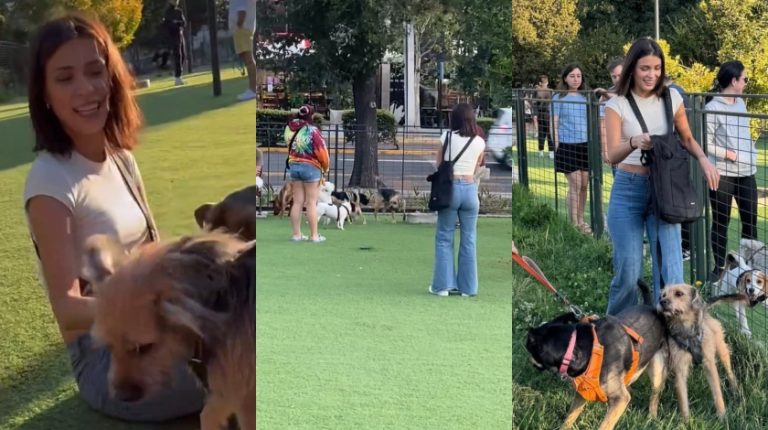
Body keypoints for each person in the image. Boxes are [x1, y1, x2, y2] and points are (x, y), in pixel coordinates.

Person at [23, 13, 204, 420]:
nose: (86, 88)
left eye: (95, 71)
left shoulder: (121, 157)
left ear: (111, 77)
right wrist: (148, 305)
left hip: (164, 330)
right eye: (65, 77)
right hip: (108, 360)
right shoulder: (50, 183)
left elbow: (153, 250)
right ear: (45, 93)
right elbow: (67, 307)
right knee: (240, 364)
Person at [603, 37, 719, 314]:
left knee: (671, 268)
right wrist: (633, 142)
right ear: (632, 68)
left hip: (665, 190)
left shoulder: (672, 98)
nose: (651, 74)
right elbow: (611, 154)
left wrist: (704, 160)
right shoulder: (616, 103)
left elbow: (688, 138)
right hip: (629, 188)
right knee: (629, 270)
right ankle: (617, 329)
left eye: (656, 68)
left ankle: (671, 332)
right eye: (645, 68)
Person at [429, 103, 486, 297]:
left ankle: (443, 286)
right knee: (469, 238)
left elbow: (439, 164)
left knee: (445, 236)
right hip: (470, 190)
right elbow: (479, 165)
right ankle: (468, 288)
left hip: (450, 189)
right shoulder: (479, 141)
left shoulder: (446, 137)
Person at [705, 61, 754, 281]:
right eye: (744, 79)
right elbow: (706, 143)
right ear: (734, 81)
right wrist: (729, 154)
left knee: (750, 220)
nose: (745, 82)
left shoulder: (741, 103)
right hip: (722, 173)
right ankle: (719, 268)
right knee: (721, 221)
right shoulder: (712, 107)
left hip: (747, 172)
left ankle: (749, 269)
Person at [552, 64, 591, 234]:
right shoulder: (558, 97)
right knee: (575, 184)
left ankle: (581, 220)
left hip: (585, 145)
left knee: (584, 185)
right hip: (567, 145)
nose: (576, 79)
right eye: (572, 76)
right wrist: (557, 144)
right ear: (565, 78)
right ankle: (573, 223)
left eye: (579, 76)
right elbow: (554, 122)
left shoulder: (586, 97)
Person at [284, 105, 330, 242]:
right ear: (311, 115)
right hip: (311, 167)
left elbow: (288, 145)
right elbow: (322, 152)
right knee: (311, 203)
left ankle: (296, 235)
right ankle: (314, 236)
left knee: (297, 202)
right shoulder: (313, 131)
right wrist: (325, 167)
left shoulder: (289, 128)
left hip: (293, 165)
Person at [597, 57, 624, 172]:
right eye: (614, 76)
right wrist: (605, 151)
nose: (617, 79)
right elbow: (603, 126)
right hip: (617, 150)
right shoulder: (605, 97)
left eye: (620, 75)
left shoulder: (640, 91)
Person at [229, 0, 258, 101]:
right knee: (248, 59)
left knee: (248, 59)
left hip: (242, 29)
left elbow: (242, 12)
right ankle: (252, 89)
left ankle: (253, 90)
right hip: (243, 29)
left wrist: (238, 26)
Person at [163, 0, 186, 86]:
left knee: (183, 55)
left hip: (180, 35)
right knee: (178, 55)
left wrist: (177, 23)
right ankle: (177, 77)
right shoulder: (167, 13)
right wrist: (174, 24)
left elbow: (184, 23)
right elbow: (166, 25)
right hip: (173, 36)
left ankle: (179, 75)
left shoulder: (179, 11)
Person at [532, 75, 554, 159]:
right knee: (549, 133)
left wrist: (535, 114)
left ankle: (541, 151)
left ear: (540, 83)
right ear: (547, 82)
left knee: (543, 133)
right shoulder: (551, 91)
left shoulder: (537, 91)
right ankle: (550, 152)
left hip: (542, 113)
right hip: (548, 114)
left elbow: (534, 103)